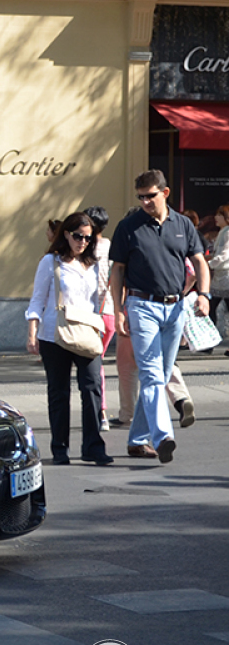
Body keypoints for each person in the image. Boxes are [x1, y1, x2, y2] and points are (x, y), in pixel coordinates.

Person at [109, 169, 211, 464]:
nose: (144, 202)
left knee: (162, 375)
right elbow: (117, 270)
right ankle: (163, 436)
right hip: (142, 306)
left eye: (150, 196)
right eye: (140, 197)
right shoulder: (128, 226)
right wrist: (119, 309)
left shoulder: (182, 224)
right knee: (152, 375)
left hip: (176, 307)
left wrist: (203, 295)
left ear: (164, 193)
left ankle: (138, 440)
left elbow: (199, 261)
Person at [25, 212, 112, 465]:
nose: (82, 242)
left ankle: (93, 447)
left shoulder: (93, 264)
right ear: (66, 234)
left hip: (86, 333)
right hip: (55, 334)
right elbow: (37, 300)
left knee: (92, 387)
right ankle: (60, 448)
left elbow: (99, 298)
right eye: (77, 236)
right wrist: (32, 333)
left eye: (87, 238)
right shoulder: (51, 262)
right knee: (59, 393)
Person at [83, 206, 117, 429]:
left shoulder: (86, 249)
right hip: (110, 312)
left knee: (94, 368)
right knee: (99, 364)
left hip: (90, 313)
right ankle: (101, 413)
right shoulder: (112, 247)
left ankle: (100, 412)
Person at [206, 204, 229, 339]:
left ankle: (209, 340)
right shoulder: (223, 231)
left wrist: (209, 264)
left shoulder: (227, 232)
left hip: (225, 276)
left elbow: (225, 254)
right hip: (220, 276)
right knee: (212, 308)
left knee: (213, 308)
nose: (216, 217)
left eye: (219, 215)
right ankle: (209, 340)